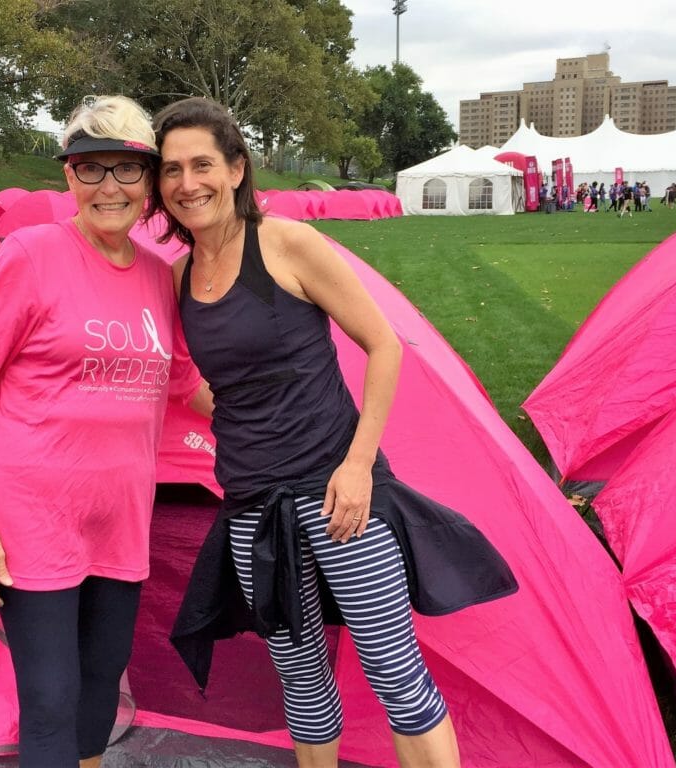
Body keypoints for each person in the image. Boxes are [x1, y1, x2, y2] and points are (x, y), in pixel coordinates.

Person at [147, 97, 516, 768]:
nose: (186, 182)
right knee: (302, 682)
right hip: (253, 509)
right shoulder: (177, 278)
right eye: (171, 169)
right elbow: (215, 388)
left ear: (237, 169)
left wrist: (358, 464)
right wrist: (232, 411)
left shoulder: (287, 243)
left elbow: (384, 345)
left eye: (202, 163)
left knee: (394, 674)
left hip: (338, 498)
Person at [0, 94, 206, 768]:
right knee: (52, 699)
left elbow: (183, 383)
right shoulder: (29, 255)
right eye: (91, 168)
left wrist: (284, 414)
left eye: (126, 169)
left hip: (119, 518)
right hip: (34, 519)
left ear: (149, 182)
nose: (109, 187)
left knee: (99, 687)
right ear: (69, 177)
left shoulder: (156, 275)